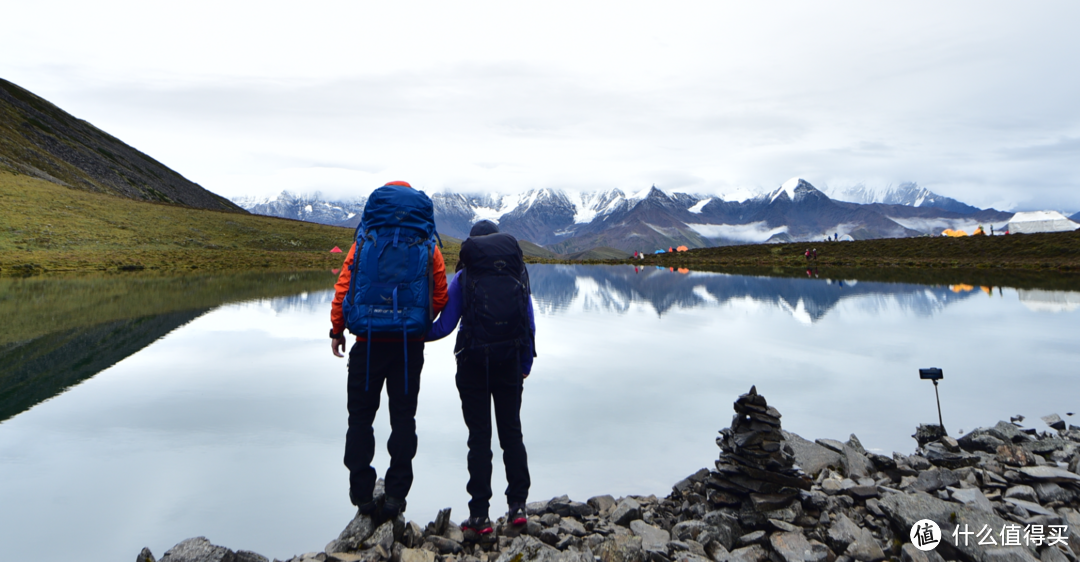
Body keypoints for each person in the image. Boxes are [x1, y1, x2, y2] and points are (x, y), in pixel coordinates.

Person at [330, 181, 449, 522]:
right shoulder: (426, 242)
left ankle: (363, 497)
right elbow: (439, 293)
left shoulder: (365, 239)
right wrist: (417, 323)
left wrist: (337, 329)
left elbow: (344, 286)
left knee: (360, 419)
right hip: (408, 349)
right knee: (403, 420)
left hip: (367, 344)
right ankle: (396, 496)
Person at [427, 220, 535, 535]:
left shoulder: (464, 277)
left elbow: (444, 326)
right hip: (511, 364)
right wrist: (524, 363)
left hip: (473, 365)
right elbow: (528, 322)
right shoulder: (517, 273)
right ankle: (518, 508)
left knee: (479, 440)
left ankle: (480, 516)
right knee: (511, 434)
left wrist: (411, 333)